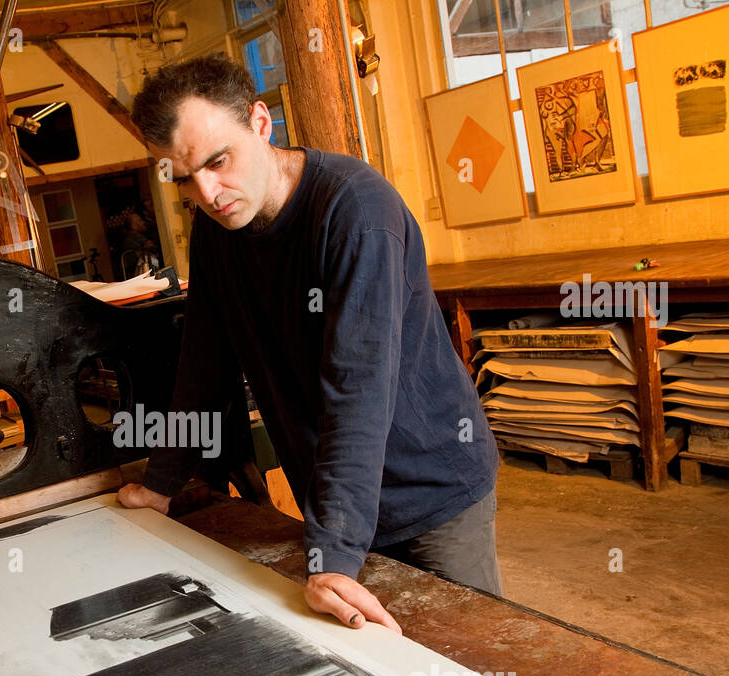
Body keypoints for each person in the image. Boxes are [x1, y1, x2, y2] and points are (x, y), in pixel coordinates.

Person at [117, 53, 502, 632]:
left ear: (261, 122)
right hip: (336, 501)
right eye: (184, 177)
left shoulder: (355, 212)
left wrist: (335, 557)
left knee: (471, 670)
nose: (209, 192)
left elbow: (357, 388)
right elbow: (204, 363)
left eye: (219, 161)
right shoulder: (219, 231)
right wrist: (161, 484)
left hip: (431, 493)